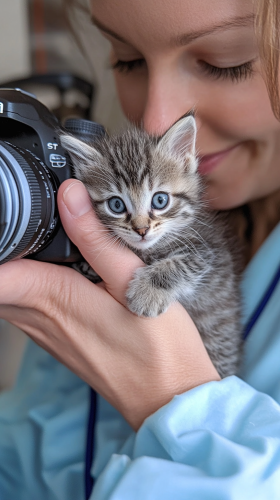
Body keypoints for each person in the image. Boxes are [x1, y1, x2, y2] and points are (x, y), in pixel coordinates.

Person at [0, 0, 280, 498]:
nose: (157, 117)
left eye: (225, 63)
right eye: (126, 59)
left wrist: (175, 400)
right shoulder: (91, 238)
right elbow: (26, 452)